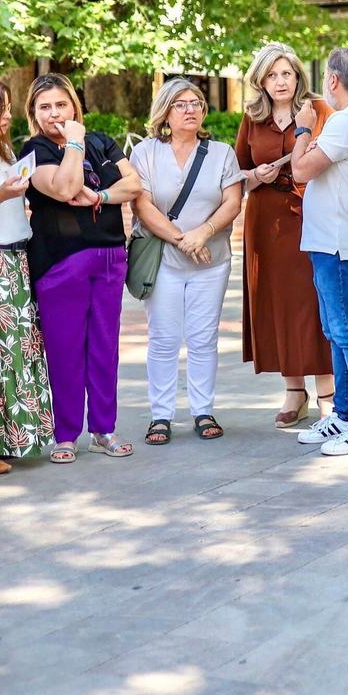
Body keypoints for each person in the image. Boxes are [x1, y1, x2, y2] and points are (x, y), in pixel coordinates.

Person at [23, 73, 144, 462]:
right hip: (59, 262)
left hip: (109, 257)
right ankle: (66, 435)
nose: (54, 113)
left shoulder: (103, 141)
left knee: (105, 348)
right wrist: (74, 142)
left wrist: (102, 195)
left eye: (61, 104)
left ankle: (103, 430)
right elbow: (63, 187)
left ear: (74, 105)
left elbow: (134, 186)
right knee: (65, 351)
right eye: (45, 107)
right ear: (34, 113)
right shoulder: (35, 149)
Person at [130, 78, 244, 446]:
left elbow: (233, 201)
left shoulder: (222, 153)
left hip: (212, 260)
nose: (191, 109)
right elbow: (142, 205)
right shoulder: (145, 153)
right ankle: (161, 415)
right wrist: (184, 240)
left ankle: (203, 410)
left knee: (203, 337)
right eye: (181, 104)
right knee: (163, 338)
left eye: (196, 103)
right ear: (165, 112)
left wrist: (204, 232)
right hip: (163, 259)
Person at [235, 41, 335, 427]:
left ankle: (327, 393)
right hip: (265, 221)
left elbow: (334, 158)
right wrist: (254, 176)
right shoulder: (252, 118)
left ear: (298, 76)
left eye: (286, 74)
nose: (280, 81)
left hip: (310, 214)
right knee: (276, 303)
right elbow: (237, 173)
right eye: (272, 75)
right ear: (261, 81)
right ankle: (294, 391)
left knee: (314, 301)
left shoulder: (318, 110)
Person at [292, 48, 348, 455]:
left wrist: (303, 129)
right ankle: (344, 414)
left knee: (347, 331)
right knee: (337, 331)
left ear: (333, 81)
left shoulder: (347, 120)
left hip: (340, 242)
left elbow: (301, 170)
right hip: (333, 240)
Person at [0, 78, 50, 474]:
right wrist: (0, 195)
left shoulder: (5, 149)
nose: (9, 115)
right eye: (3, 108)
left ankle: (9, 439)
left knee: (15, 350)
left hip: (16, 258)